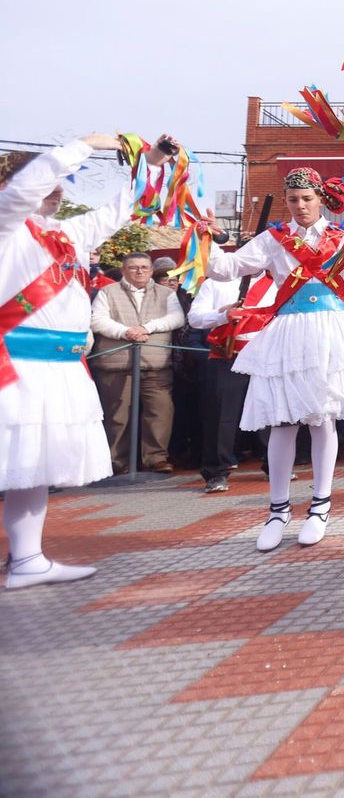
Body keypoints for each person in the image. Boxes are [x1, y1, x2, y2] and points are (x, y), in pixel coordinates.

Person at [1, 135, 173, 588]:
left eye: (61, 182)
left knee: (31, 467)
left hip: (57, 368)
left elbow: (117, 212)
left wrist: (150, 163)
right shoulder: (8, 225)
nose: (59, 189)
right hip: (18, 364)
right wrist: (81, 145)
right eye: (50, 181)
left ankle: (27, 559)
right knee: (13, 460)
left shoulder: (64, 235)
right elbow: (20, 191)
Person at [204, 167, 344, 551]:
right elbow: (222, 268)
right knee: (283, 419)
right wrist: (207, 235)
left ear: (319, 199)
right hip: (289, 332)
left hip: (328, 332)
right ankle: (278, 509)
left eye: (306, 198)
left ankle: (320, 505)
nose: (300, 206)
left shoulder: (342, 235)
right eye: (293, 200)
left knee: (322, 417)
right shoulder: (273, 239)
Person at [89, 251, 186, 474]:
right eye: (133, 267)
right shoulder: (107, 292)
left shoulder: (166, 294)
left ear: (151, 270)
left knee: (160, 412)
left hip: (156, 363)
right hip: (116, 363)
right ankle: (117, 461)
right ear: (124, 270)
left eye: (144, 267)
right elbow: (98, 320)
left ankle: (156, 458)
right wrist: (126, 332)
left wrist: (146, 328)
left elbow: (176, 318)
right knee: (117, 415)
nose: (139, 271)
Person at [188, 269, 278, 492]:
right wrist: (222, 315)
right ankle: (216, 472)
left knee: (272, 413)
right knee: (221, 415)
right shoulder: (217, 283)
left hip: (266, 357)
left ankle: (275, 464)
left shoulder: (278, 281)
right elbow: (195, 318)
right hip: (228, 356)